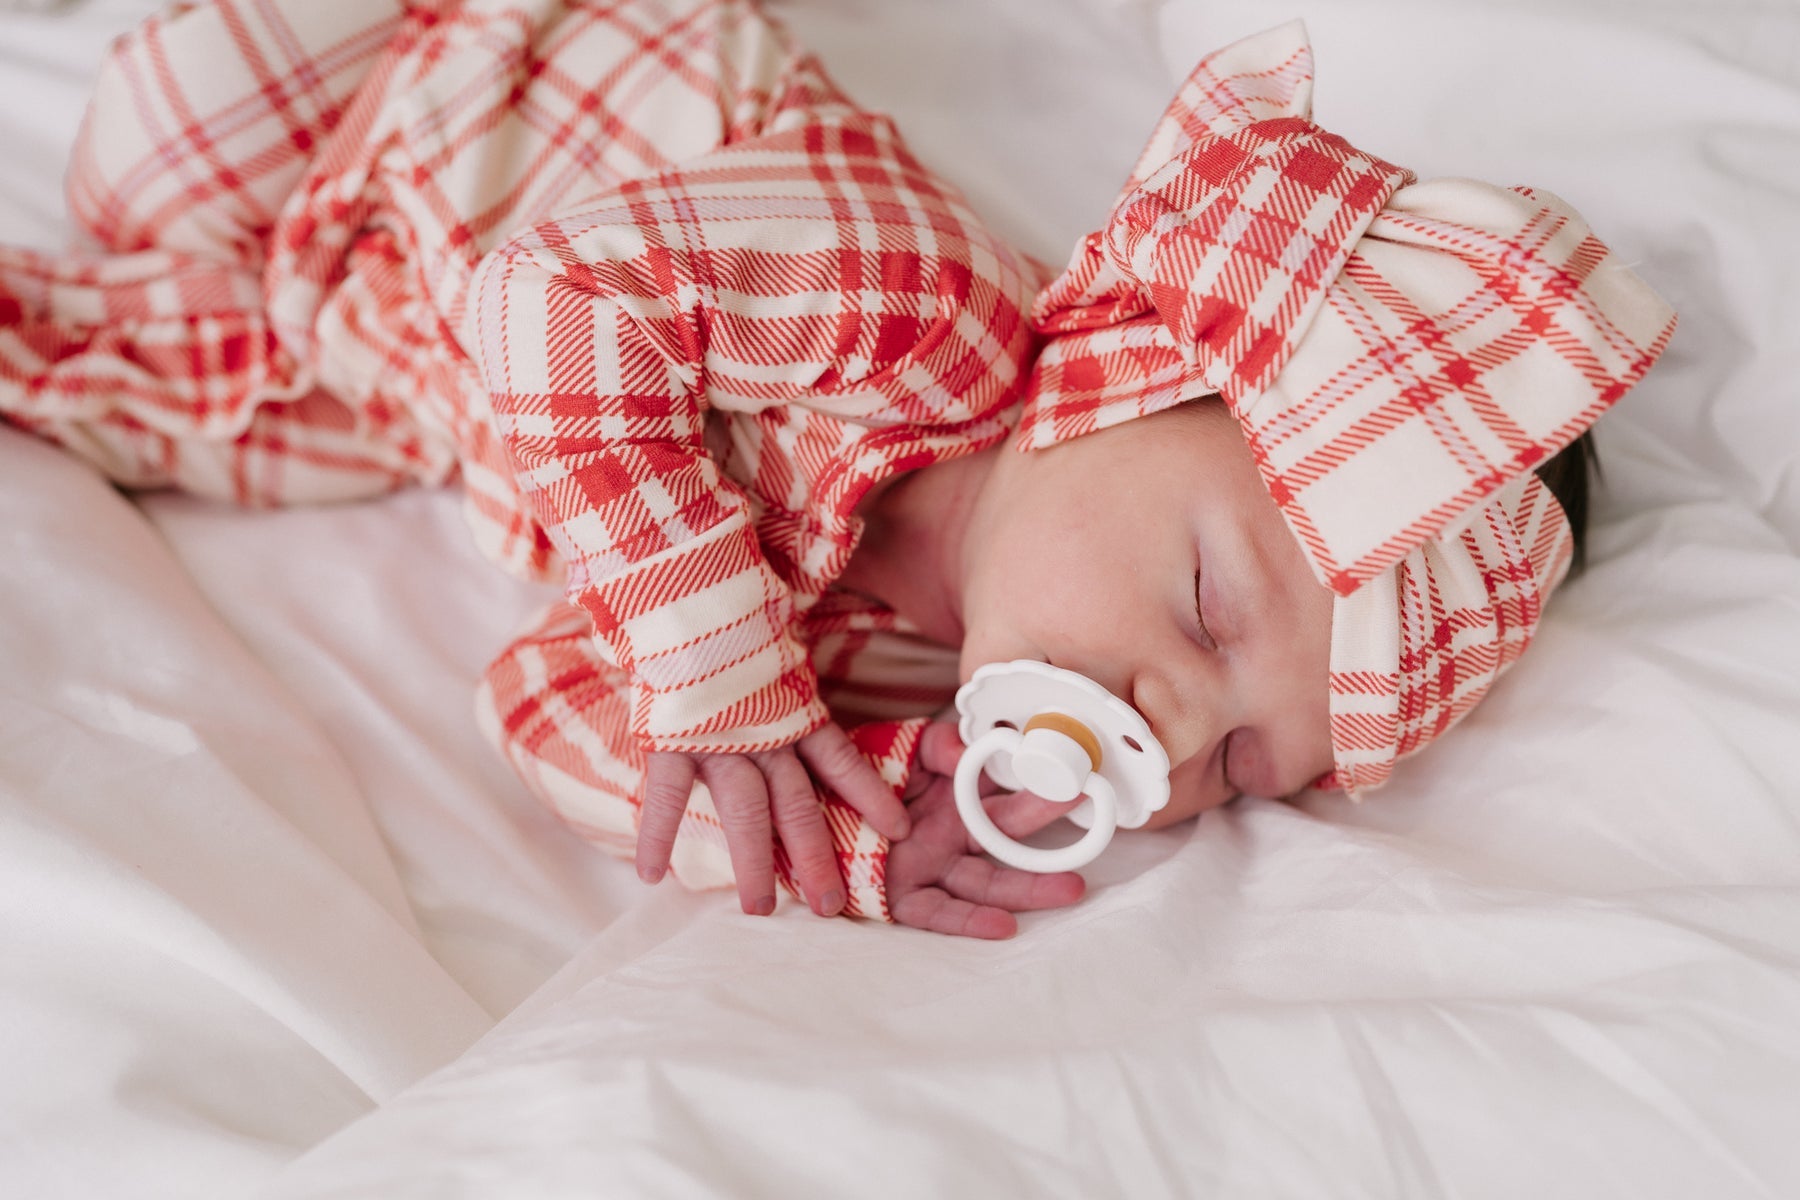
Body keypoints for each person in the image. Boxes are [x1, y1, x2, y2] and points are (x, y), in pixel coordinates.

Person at [0, 2, 1674, 939]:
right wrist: (725, 674)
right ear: (1131, 372)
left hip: (413, 367)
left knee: (118, 401)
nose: (1165, 725)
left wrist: (836, 826)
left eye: (1241, 763)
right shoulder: (923, 309)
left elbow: (555, 696)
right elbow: (564, 296)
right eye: (1204, 606)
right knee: (148, 143)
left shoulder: (894, 673)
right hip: (463, 93)